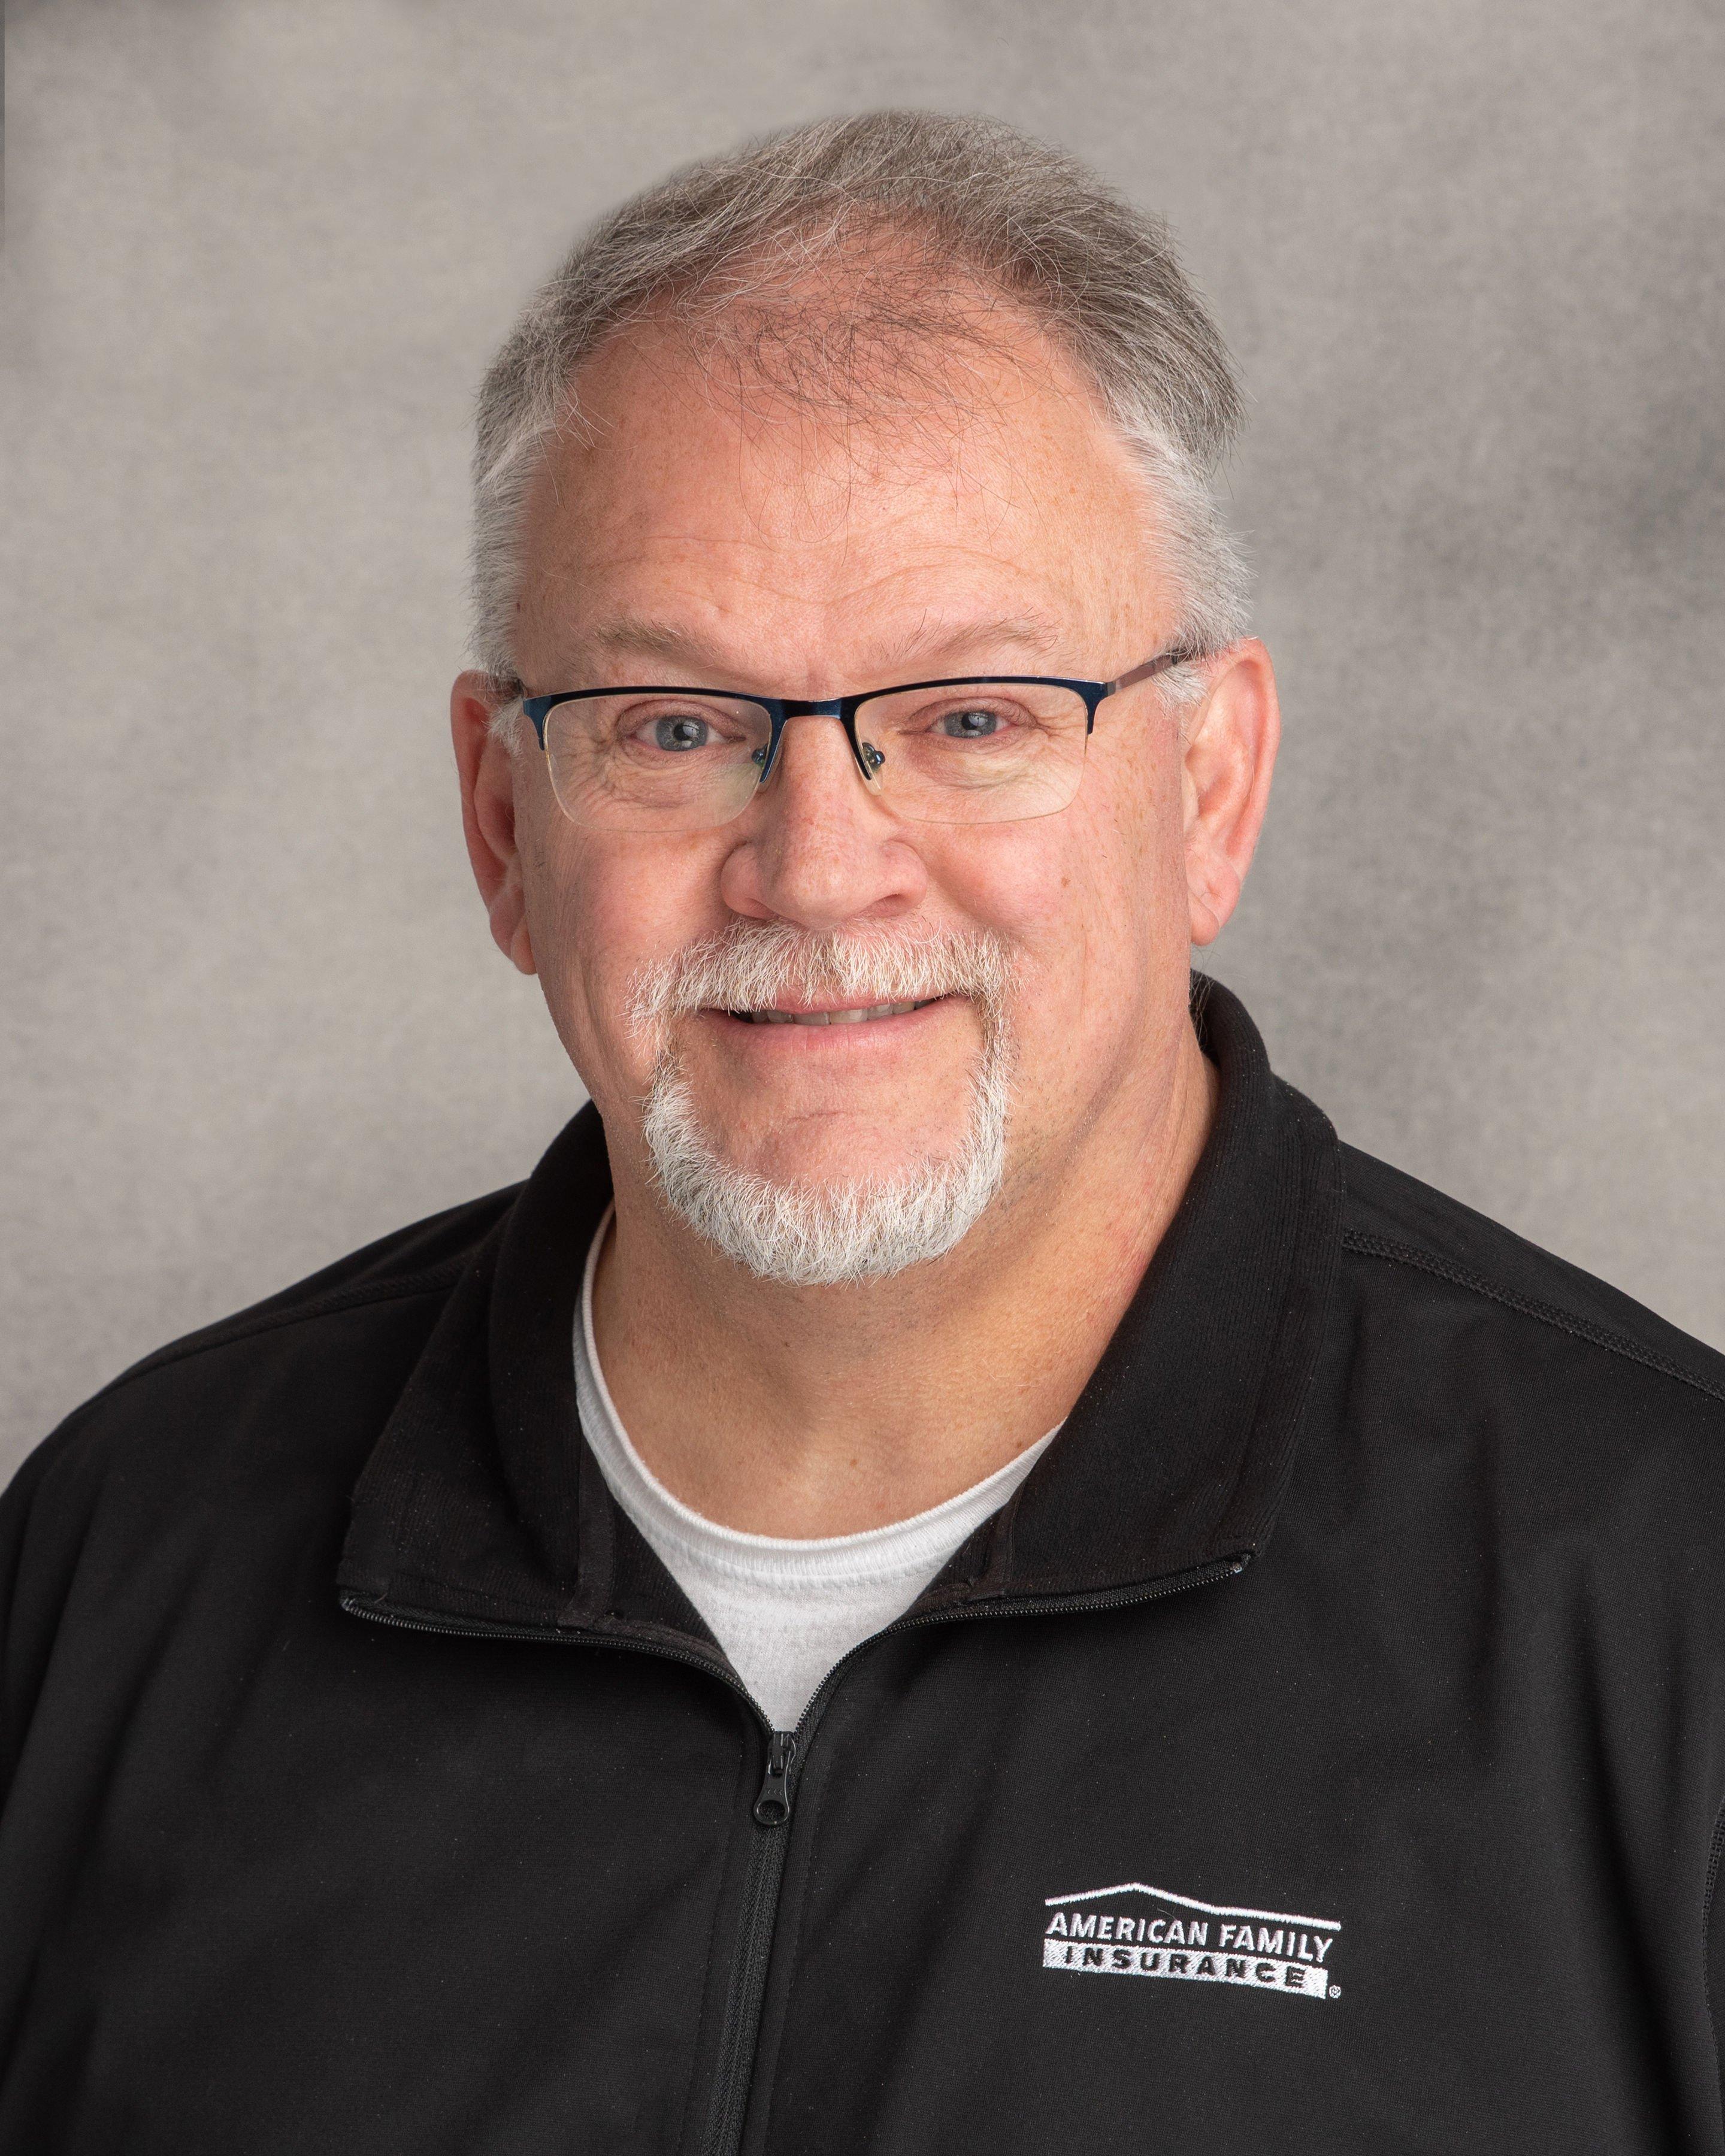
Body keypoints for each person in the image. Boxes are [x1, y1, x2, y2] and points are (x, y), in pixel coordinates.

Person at [2, 110, 1723, 2156]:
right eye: (675, 729)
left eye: (974, 716)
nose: (817, 873)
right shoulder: (116, 1573)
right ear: (501, 826)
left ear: (1213, 787)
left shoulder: (1667, 1608)